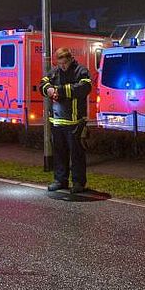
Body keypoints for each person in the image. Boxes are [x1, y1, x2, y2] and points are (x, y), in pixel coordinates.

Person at [40, 47, 93, 194]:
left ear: (70, 59)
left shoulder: (80, 71)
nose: (62, 66)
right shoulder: (54, 72)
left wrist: (60, 90)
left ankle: (78, 182)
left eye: (65, 63)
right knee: (59, 153)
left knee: (76, 154)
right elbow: (42, 83)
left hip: (75, 122)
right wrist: (49, 90)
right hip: (57, 122)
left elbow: (84, 87)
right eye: (60, 63)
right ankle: (60, 180)